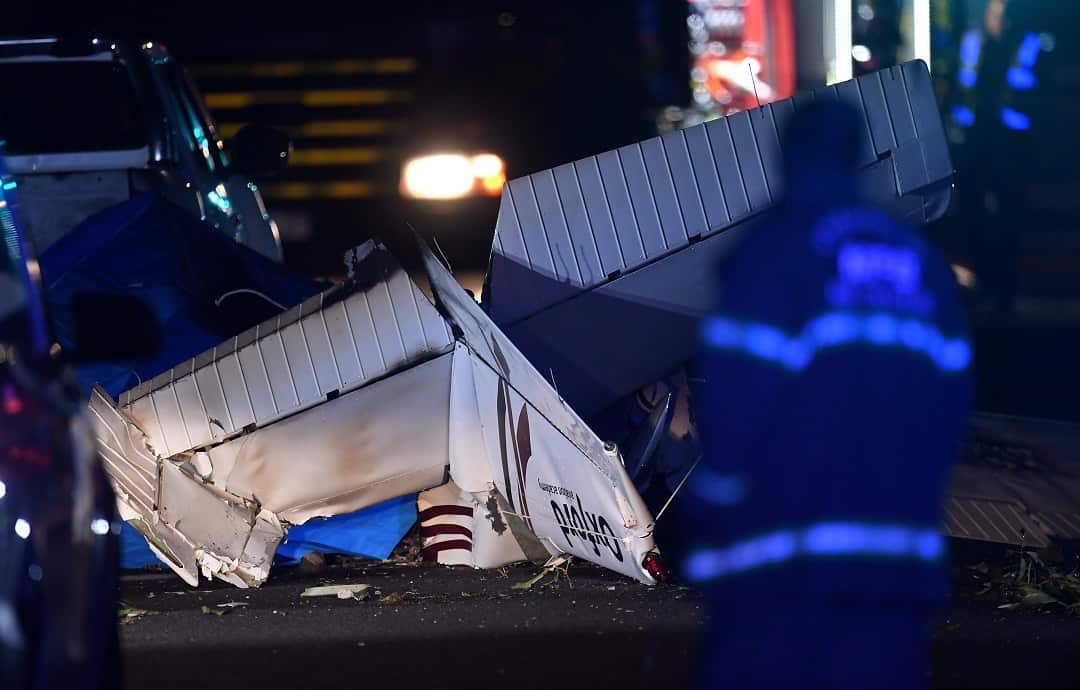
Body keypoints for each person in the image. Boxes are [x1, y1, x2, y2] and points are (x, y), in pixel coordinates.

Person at [680, 100, 972, 689]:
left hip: (783, 572)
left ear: (789, 157)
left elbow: (738, 401)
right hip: (894, 570)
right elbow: (953, 403)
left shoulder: (776, 251)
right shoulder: (919, 260)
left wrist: (709, 501)